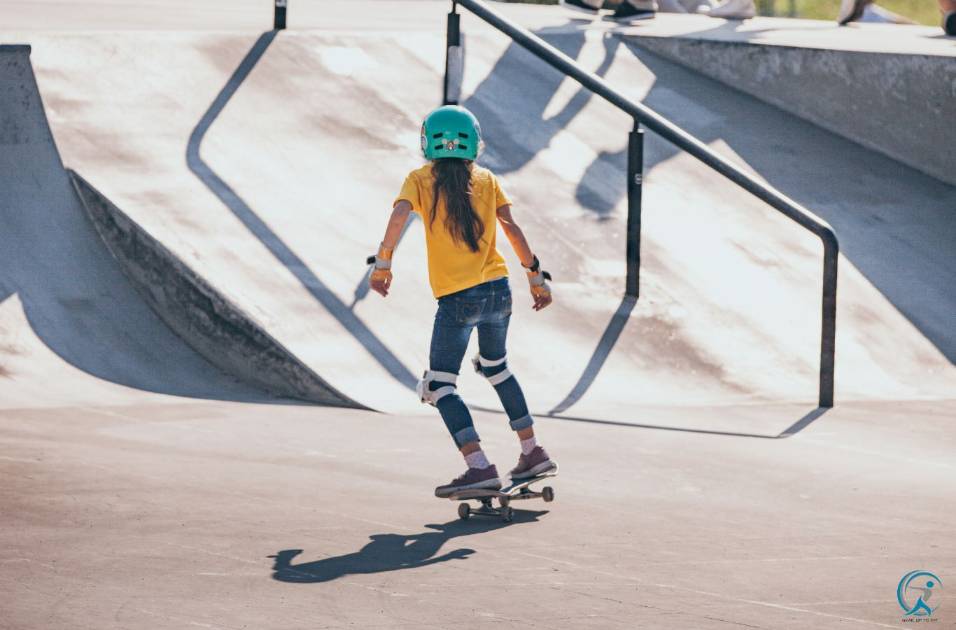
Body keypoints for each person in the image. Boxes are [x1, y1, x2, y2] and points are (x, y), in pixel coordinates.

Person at [369, 105, 558, 498]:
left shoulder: (419, 179)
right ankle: (532, 451)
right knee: (496, 368)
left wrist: (383, 263)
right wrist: (535, 276)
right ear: (474, 143)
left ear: (428, 143)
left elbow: (399, 215)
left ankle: (478, 466)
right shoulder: (487, 180)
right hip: (498, 290)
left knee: (438, 385)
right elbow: (512, 228)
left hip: (458, 299)